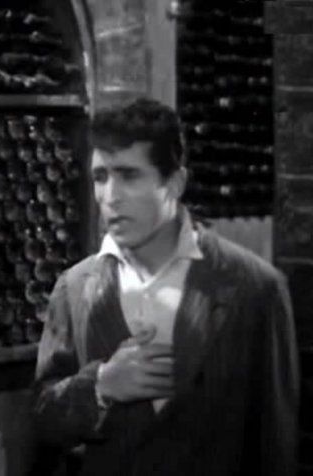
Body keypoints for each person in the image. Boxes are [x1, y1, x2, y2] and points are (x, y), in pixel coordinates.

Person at [33, 98, 299, 475]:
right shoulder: (74, 288)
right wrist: (100, 386)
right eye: (100, 177)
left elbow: (275, 444)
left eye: (129, 176)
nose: (110, 197)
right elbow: (44, 420)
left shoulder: (255, 288)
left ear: (174, 183)